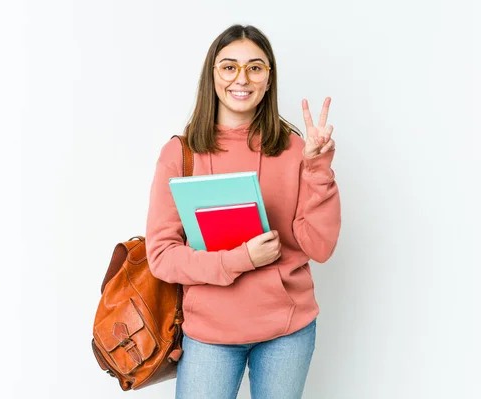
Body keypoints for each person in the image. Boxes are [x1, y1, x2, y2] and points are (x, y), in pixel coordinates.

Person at [145, 24, 341, 399]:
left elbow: (321, 246)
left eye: (255, 67)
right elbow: (162, 257)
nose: (242, 78)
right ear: (212, 76)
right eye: (229, 66)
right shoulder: (180, 154)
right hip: (209, 334)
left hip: (287, 331)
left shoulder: (296, 148)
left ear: (269, 79)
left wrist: (318, 167)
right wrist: (241, 259)